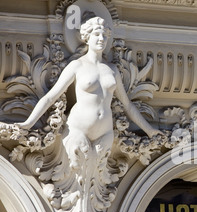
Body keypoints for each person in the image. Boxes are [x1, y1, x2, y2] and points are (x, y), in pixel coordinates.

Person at [15, 16, 161, 158]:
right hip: (78, 129)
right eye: (97, 34)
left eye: (105, 35)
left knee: (97, 178)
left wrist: (150, 130)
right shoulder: (77, 65)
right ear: (86, 36)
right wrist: (28, 123)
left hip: (106, 132)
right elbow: (51, 97)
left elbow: (127, 105)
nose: (101, 39)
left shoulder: (112, 69)